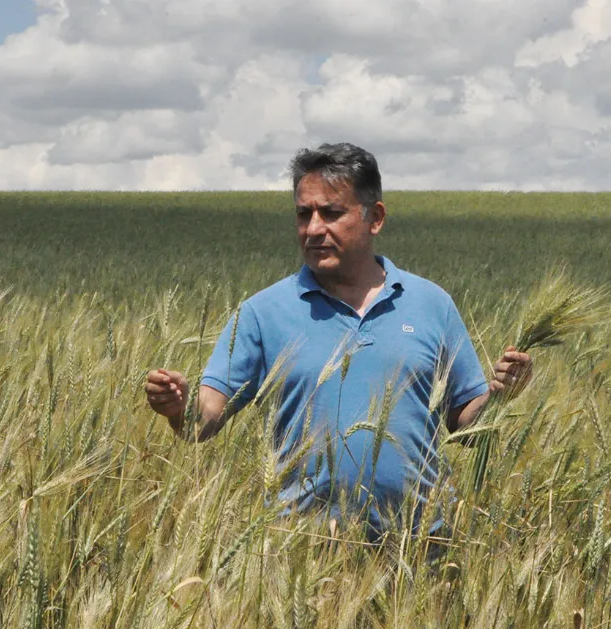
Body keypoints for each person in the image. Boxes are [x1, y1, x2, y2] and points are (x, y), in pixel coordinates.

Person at [144, 142, 531, 540]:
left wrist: (501, 397)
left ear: (374, 218)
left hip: (420, 549)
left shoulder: (432, 305)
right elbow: (202, 423)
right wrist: (178, 408)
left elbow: (466, 424)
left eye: (331, 213)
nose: (313, 229)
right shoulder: (262, 313)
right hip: (303, 552)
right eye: (303, 214)